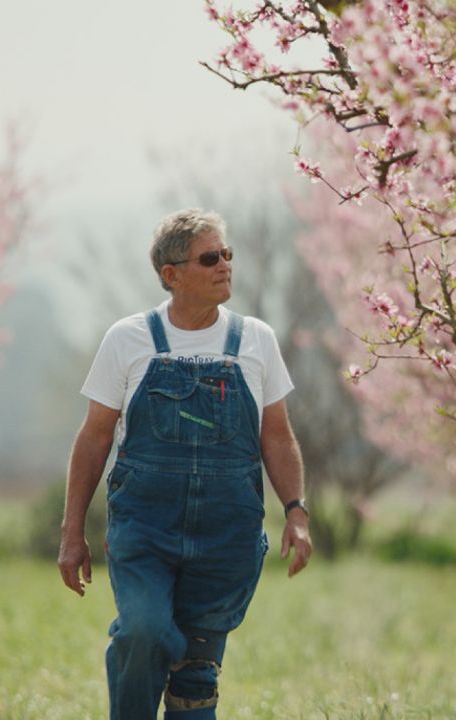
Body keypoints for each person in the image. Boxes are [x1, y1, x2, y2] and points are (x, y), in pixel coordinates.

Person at [58, 208, 312, 719]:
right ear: (171, 275)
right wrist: (72, 531)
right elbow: (94, 437)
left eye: (227, 255)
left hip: (226, 537)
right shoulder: (128, 339)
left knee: (196, 677)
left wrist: (296, 510)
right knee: (143, 631)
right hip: (145, 530)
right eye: (210, 258)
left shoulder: (256, 339)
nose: (225, 266)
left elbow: (277, 435)